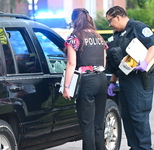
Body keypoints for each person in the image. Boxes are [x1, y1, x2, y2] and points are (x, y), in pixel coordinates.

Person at [105, 6, 154, 150]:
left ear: (118, 17)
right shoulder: (117, 35)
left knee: (138, 115)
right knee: (127, 115)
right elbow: (117, 61)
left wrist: (145, 62)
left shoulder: (138, 28)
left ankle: (144, 148)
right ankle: (134, 147)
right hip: (125, 79)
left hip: (139, 79)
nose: (109, 24)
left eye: (110, 21)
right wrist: (112, 81)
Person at [62, 8, 108, 150]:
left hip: (87, 82)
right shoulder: (98, 37)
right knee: (98, 123)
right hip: (101, 79)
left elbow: (71, 63)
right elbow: (104, 61)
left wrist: (66, 87)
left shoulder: (75, 37)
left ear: (74, 20)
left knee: (87, 124)